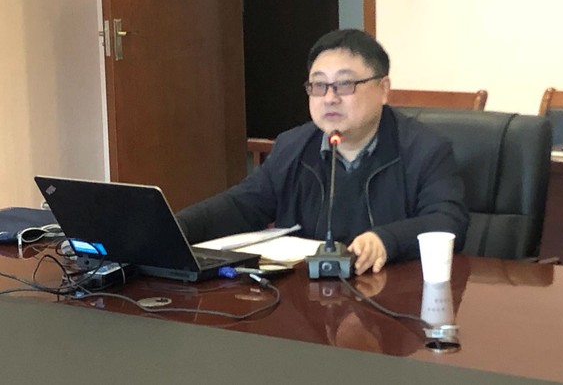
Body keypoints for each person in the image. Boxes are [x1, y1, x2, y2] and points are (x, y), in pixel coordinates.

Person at [177, 29, 469, 275]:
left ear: (383, 89)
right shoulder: (293, 146)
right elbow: (242, 205)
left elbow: (448, 220)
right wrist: (179, 227)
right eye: (319, 85)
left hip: (392, 297)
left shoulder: (425, 149)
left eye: (345, 84)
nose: (329, 98)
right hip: (308, 298)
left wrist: (386, 240)